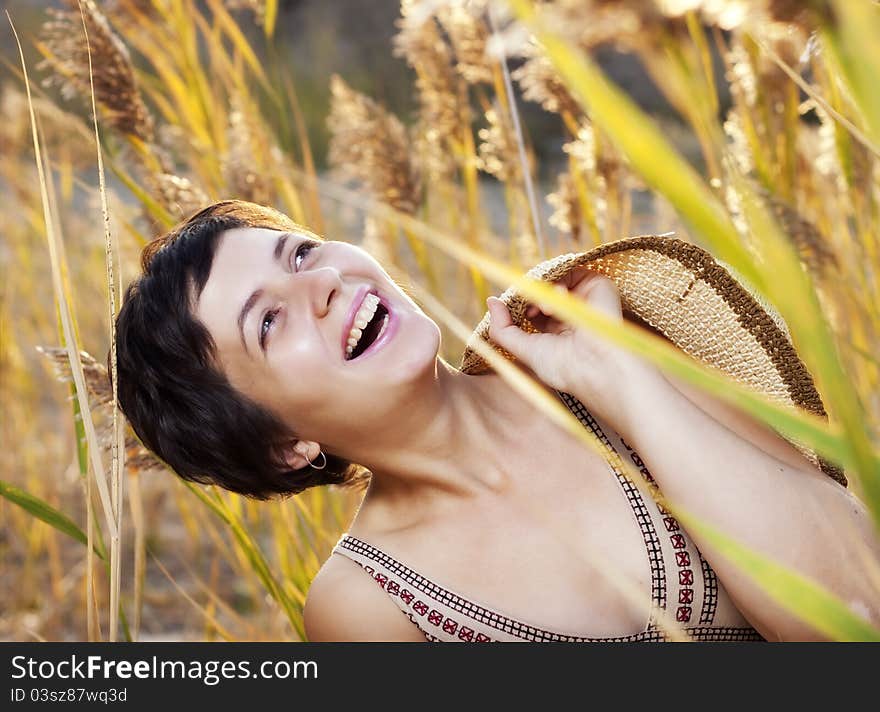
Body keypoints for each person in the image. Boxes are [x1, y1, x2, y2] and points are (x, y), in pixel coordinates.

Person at [113, 199, 880, 642]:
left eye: (301, 251)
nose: (321, 283)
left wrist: (619, 380)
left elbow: (855, 614)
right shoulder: (369, 603)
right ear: (284, 445)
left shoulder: (611, 340)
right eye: (269, 324)